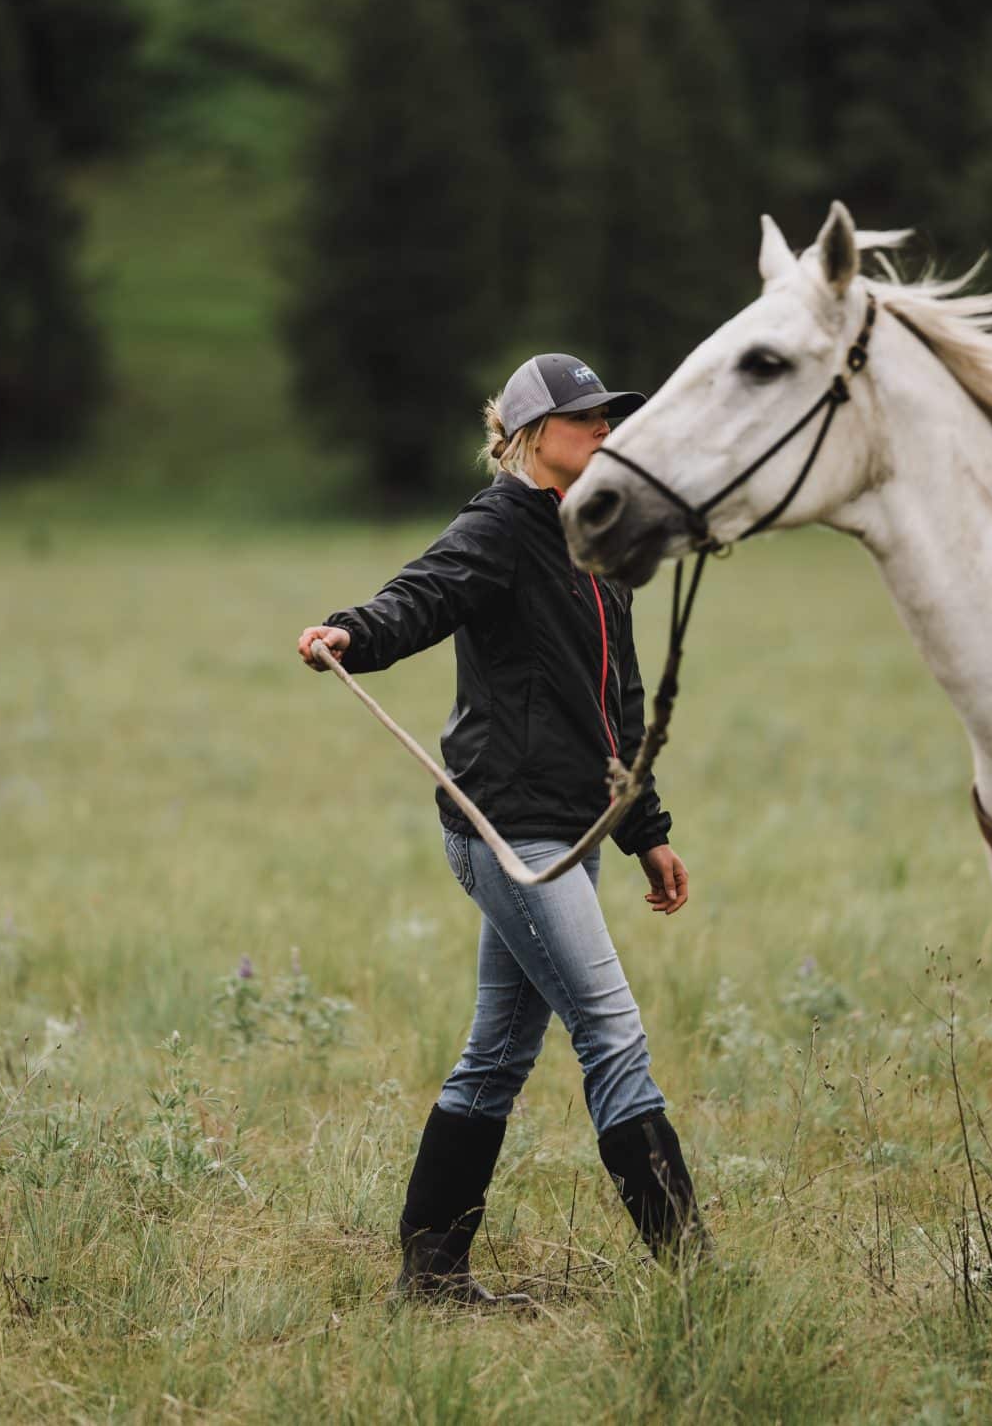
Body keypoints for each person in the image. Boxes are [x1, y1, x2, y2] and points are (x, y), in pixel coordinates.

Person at [295, 352, 703, 1307]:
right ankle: (697, 1283)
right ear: (529, 435)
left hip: (573, 832)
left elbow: (618, 701)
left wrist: (645, 828)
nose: (608, 430)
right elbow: (423, 594)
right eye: (587, 418)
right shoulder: (500, 527)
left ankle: (430, 1280)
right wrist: (352, 631)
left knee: (496, 1057)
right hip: (508, 835)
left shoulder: (596, 539)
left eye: (611, 417)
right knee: (612, 1033)